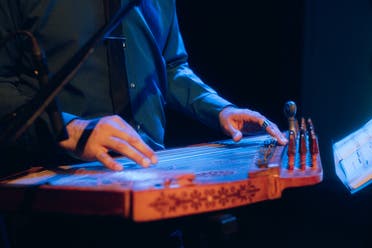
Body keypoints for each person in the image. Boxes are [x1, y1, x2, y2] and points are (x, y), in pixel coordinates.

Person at [0, 1, 288, 247]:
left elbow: (172, 66)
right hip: (56, 209)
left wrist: (219, 109)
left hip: (153, 199)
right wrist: (68, 129)